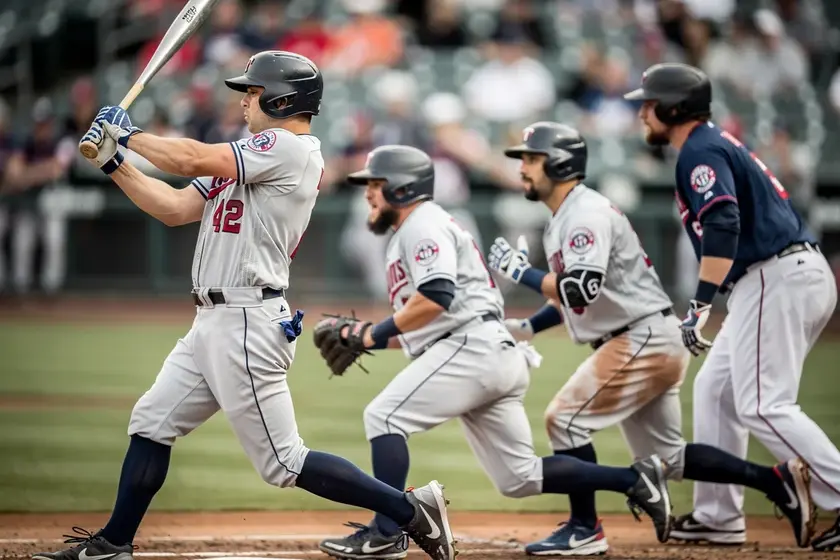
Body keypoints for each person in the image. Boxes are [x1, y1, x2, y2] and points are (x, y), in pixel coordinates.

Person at [32, 51, 456, 560]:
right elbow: (174, 208)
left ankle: (412, 512)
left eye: (253, 92)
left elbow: (188, 158)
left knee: (283, 463)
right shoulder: (252, 151)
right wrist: (113, 162)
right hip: (212, 321)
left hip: (248, 319)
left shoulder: (290, 148)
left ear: (282, 98)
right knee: (152, 422)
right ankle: (113, 542)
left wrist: (129, 134)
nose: (245, 100)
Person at [313, 144, 676, 560]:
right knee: (519, 477)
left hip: (473, 350)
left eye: (375, 185)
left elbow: (436, 296)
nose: (367, 194)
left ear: (401, 188)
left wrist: (372, 335)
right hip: (487, 350)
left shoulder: (421, 225)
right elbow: (431, 318)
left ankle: (387, 531)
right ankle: (634, 479)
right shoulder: (418, 229)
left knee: (384, 416)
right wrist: (366, 335)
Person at [492, 121, 815, 554]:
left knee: (565, 419)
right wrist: (531, 326)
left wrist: (521, 273)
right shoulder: (568, 215)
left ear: (560, 162)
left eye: (531, 158)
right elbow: (590, 294)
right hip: (649, 335)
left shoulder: (582, 215)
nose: (523, 167)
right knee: (672, 459)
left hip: (638, 337)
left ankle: (584, 527)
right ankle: (774, 482)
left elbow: (579, 289)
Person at [623, 62, 840, 550]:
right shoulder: (708, 144)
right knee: (716, 391)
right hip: (778, 276)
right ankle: (718, 517)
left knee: (763, 404)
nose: (642, 113)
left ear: (674, 107)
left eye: (649, 103)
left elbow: (723, 220)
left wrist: (701, 303)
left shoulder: (699, 149)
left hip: (774, 275)